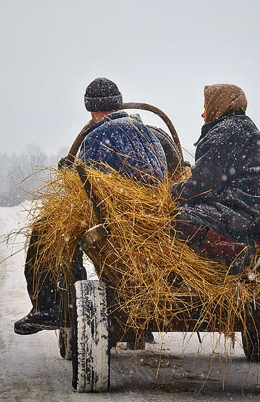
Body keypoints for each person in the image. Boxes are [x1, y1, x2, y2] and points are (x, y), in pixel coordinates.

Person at [14, 77, 168, 335]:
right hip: (153, 222)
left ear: (92, 109)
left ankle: (52, 306)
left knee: (49, 230)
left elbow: (84, 187)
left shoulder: (97, 137)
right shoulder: (150, 135)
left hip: (114, 221)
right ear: (118, 103)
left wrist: (68, 172)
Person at [170, 84, 260, 274]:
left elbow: (203, 186)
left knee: (179, 218)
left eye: (206, 107)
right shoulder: (246, 127)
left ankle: (235, 252)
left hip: (246, 212)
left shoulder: (223, 134)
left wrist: (174, 192)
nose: (202, 114)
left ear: (218, 105)